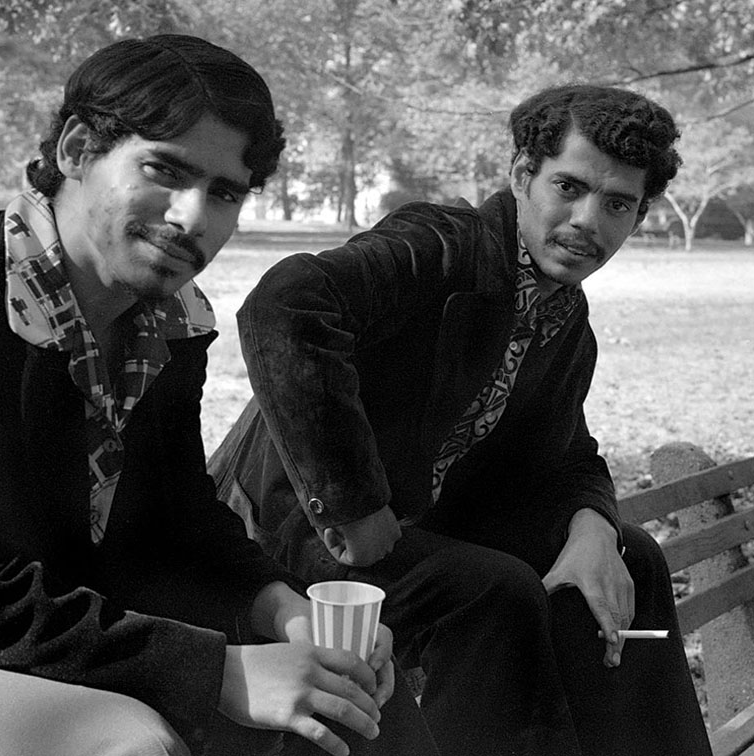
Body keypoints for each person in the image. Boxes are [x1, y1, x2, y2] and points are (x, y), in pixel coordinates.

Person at [0, 34, 438, 756]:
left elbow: (180, 518)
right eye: (164, 170)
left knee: (348, 702)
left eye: (225, 192)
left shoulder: (169, 320)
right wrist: (223, 672)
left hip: (62, 610)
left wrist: (286, 612)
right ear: (76, 149)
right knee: (133, 746)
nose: (193, 217)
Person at [208, 84, 713, 755]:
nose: (588, 220)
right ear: (521, 175)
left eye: (617, 203)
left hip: (422, 528)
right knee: (490, 591)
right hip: (294, 525)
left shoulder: (564, 320)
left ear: (638, 215)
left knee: (633, 557)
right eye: (568, 186)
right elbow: (286, 306)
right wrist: (351, 503)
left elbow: (564, 452)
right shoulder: (438, 248)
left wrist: (593, 526)